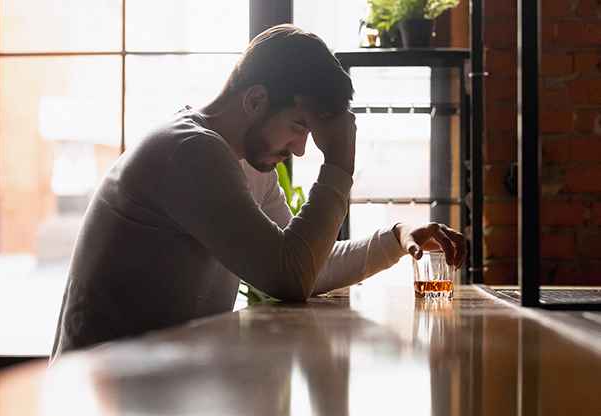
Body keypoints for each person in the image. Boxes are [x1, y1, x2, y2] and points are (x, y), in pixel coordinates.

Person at [51, 24, 465, 361]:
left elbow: (308, 267)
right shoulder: (189, 149)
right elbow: (288, 276)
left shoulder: (250, 164)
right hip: (97, 393)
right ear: (255, 99)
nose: (302, 148)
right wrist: (339, 162)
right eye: (300, 126)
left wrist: (395, 238)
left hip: (155, 387)